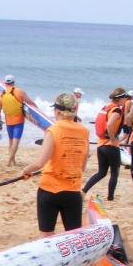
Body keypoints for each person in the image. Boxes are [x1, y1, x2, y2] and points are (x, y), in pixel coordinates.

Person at [21, 93, 90, 240]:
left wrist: (26, 170)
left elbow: (40, 163)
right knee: (73, 237)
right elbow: (82, 167)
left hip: (49, 191)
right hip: (73, 192)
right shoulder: (85, 132)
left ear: (57, 112)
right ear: (75, 110)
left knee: (47, 236)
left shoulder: (53, 130)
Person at [82, 87, 127, 201]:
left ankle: (84, 190)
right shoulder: (117, 110)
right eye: (124, 98)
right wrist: (113, 139)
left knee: (101, 172)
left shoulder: (106, 107)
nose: (125, 100)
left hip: (101, 144)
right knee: (114, 172)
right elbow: (110, 125)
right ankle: (110, 197)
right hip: (110, 146)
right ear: (120, 98)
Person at [0, 75, 36, 167]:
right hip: (19, 121)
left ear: (5, 83)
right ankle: (9, 161)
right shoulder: (20, 92)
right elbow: (30, 102)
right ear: (13, 82)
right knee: (16, 142)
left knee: (11, 141)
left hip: (8, 121)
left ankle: (13, 161)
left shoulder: (1, 94)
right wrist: (37, 111)